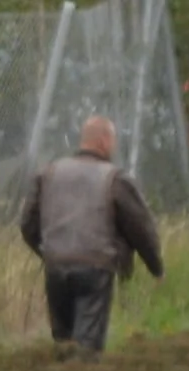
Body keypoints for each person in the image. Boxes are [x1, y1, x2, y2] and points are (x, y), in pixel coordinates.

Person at [20, 114, 166, 356]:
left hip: (56, 267)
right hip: (95, 269)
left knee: (63, 343)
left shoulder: (47, 174)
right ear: (104, 140)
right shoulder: (114, 179)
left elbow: (27, 224)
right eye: (114, 141)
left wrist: (47, 251)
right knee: (86, 348)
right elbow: (141, 228)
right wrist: (156, 267)